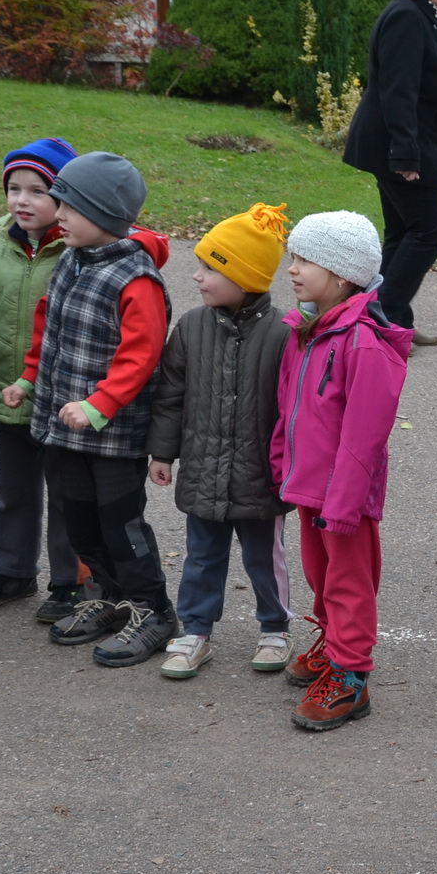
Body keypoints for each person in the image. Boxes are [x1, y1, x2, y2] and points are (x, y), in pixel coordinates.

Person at [3, 152, 178, 667]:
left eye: (68, 207)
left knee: (120, 525)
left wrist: (99, 404)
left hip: (112, 435)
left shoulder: (136, 278)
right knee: (79, 522)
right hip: (62, 428)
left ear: (103, 214)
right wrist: (28, 377)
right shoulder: (71, 258)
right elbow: (48, 327)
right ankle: (108, 595)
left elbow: (141, 354)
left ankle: (152, 609)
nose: (57, 214)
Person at [271, 211, 411, 730]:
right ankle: (333, 645)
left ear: (342, 275)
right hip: (312, 486)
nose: (292, 268)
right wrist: (282, 466)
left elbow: (364, 435)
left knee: (349, 583)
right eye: (293, 257)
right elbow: (288, 406)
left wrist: (345, 502)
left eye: (305, 259)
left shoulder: (363, 342)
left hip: (344, 496)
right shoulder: (309, 329)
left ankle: (351, 677)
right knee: (320, 573)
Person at [146, 203, 295, 681]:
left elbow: (294, 411)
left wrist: (292, 469)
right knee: (201, 556)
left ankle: (275, 627)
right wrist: (163, 452)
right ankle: (195, 631)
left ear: (244, 277)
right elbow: (171, 395)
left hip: (261, 477)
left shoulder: (284, 334)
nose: (197, 276)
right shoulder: (191, 327)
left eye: (211, 268)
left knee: (264, 558)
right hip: (204, 470)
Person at [0, 137, 89, 624]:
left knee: (68, 493)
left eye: (37, 190)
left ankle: (71, 581)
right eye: (14, 189)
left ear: (66, 198)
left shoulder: (78, 252)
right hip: (8, 392)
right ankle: (12, 570)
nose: (22, 200)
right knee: (13, 491)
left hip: (62, 399)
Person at [341, 0, 437, 342]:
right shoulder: (406, 17)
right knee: (430, 229)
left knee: (403, 232)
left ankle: (391, 318)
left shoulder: (421, 17)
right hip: (398, 147)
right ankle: (380, 318)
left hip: (405, 144)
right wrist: (404, 154)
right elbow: (398, 91)